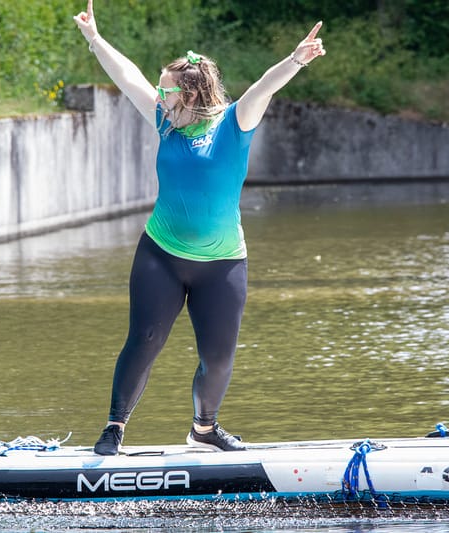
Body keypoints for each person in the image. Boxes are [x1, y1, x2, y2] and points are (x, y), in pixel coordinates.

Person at [73, 0, 325, 455]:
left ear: (188, 95)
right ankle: (114, 426)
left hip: (222, 263)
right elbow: (127, 76)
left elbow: (262, 89)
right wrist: (94, 38)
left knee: (219, 357)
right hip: (161, 256)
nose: (158, 92)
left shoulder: (234, 124)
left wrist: (295, 61)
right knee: (145, 339)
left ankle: (204, 430)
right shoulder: (165, 121)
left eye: (165, 88)